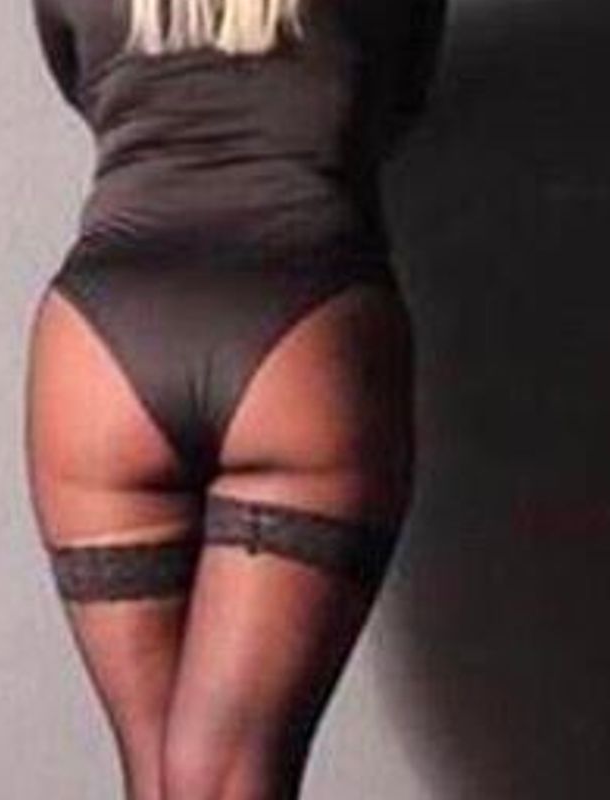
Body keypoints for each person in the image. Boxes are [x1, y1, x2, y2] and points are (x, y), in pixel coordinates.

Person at [25, 1, 445, 796]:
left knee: (158, 775)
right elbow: (402, 100)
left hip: (104, 339)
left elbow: (81, 81)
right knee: (227, 777)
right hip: (306, 326)